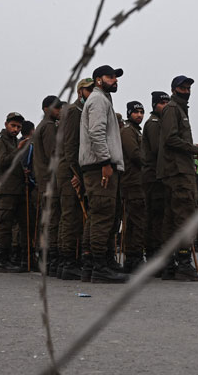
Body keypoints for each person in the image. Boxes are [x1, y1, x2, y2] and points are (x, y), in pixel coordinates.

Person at [79, 65, 128, 284]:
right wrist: (106, 162)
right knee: (102, 217)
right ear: (98, 80)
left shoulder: (102, 99)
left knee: (97, 216)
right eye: (110, 77)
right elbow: (96, 132)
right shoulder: (98, 100)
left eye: (116, 77)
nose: (115, 80)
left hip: (97, 165)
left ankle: (92, 265)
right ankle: (99, 267)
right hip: (100, 167)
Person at [157, 75, 198, 281]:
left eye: (188, 88)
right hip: (177, 171)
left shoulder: (179, 109)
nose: (186, 91)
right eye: (182, 88)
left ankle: (170, 265)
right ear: (174, 89)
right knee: (184, 217)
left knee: (171, 219)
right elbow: (171, 139)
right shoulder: (172, 109)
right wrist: (196, 151)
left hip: (177, 171)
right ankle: (184, 264)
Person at [57, 78, 94, 281]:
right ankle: (67, 261)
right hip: (70, 170)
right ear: (80, 92)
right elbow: (70, 145)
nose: (91, 93)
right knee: (70, 217)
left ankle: (70, 259)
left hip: (77, 169)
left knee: (75, 218)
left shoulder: (85, 111)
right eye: (88, 90)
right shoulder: (74, 111)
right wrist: (75, 173)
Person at [0, 112, 29, 273]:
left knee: (20, 223)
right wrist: (18, 150)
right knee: (5, 225)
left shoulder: (12, 140)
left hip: (16, 188)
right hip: (6, 189)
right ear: (6, 124)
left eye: (19, 127)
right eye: (13, 126)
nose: (16, 129)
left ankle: (14, 257)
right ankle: (3, 261)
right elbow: (3, 161)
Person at [33, 95, 63, 276]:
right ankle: (50, 259)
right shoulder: (49, 127)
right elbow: (54, 153)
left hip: (43, 181)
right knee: (53, 221)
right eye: (56, 108)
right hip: (50, 181)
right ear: (46, 109)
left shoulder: (41, 126)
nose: (59, 111)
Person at [141, 91, 169, 270]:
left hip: (157, 176)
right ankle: (153, 257)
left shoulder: (161, 123)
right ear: (155, 105)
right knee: (155, 218)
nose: (165, 105)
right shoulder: (154, 124)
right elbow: (159, 149)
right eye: (162, 103)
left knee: (158, 217)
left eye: (167, 102)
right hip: (153, 176)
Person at [120, 100, 146, 273]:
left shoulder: (136, 131)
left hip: (137, 181)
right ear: (129, 113)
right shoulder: (128, 131)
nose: (139, 115)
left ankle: (132, 257)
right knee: (137, 221)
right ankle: (134, 258)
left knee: (135, 221)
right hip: (132, 181)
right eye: (136, 112)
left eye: (141, 112)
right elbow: (135, 155)